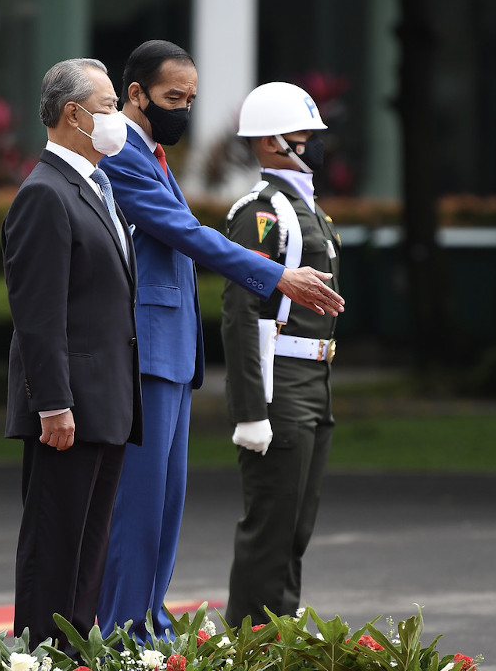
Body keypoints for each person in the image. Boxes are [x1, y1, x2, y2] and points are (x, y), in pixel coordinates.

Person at [96, 41, 344, 641]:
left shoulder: (151, 152)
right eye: (172, 97)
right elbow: (183, 231)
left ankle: (148, 627)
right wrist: (276, 274)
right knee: (141, 508)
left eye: (190, 98)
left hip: (173, 353)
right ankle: (126, 633)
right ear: (136, 95)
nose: (184, 109)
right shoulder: (125, 152)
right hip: (149, 351)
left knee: (167, 507)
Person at [2, 57, 143, 649]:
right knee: (54, 552)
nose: (119, 120)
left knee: (87, 555)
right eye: (110, 107)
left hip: (103, 402)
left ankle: (72, 656)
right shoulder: (44, 194)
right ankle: (38, 656)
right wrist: (53, 404)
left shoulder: (92, 186)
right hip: (69, 410)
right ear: (73, 115)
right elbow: (38, 315)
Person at [222, 81, 340, 626]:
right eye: (305, 135)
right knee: (270, 529)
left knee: (295, 529)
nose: (316, 143)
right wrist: (250, 409)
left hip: (315, 380)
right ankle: (254, 648)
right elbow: (241, 311)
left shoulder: (309, 210)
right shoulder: (262, 212)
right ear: (272, 143)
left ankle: (278, 641)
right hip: (282, 383)